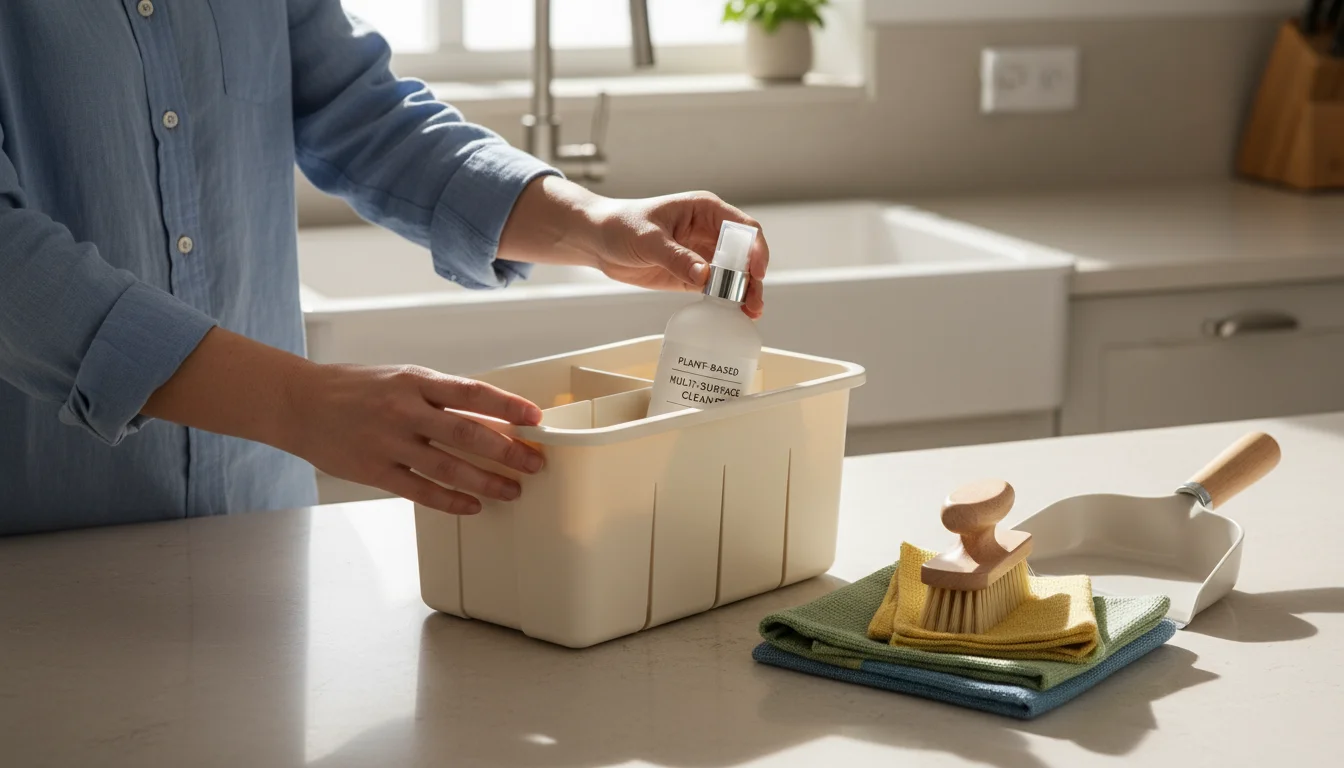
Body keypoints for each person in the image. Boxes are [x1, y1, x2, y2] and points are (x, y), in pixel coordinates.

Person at [0, 2, 769, 535]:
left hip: (264, 527)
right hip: (44, 558)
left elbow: (354, 107)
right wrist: (297, 404)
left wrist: (592, 225)